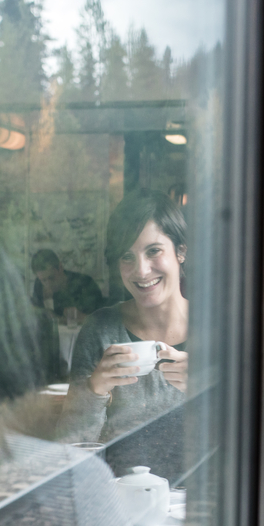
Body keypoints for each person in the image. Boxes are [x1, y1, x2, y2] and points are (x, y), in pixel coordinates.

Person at [58, 190, 190, 443]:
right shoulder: (100, 330)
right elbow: (67, 450)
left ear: (180, 252)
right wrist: (94, 390)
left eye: (153, 251)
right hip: (117, 484)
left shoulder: (219, 332)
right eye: (127, 256)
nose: (141, 270)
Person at [30, 249, 104, 323]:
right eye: (44, 280)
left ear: (60, 267)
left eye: (51, 278)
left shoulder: (85, 284)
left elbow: (101, 320)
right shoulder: (39, 284)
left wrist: (82, 317)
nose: (48, 284)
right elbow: (36, 314)